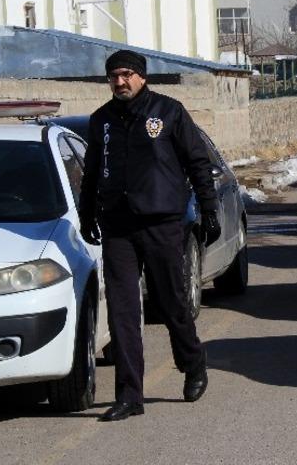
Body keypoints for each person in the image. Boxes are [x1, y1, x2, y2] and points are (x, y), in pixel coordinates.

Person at [78, 50, 216, 422]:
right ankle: (129, 395)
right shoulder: (101, 120)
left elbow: (197, 162)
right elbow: (92, 171)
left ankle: (193, 362)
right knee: (123, 311)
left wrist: (209, 208)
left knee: (170, 300)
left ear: (141, 76)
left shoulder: (168, 112)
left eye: (125, 75)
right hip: (118, 226)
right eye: (113, 76)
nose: (119, 82)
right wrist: (87, 212)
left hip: (161, 221)